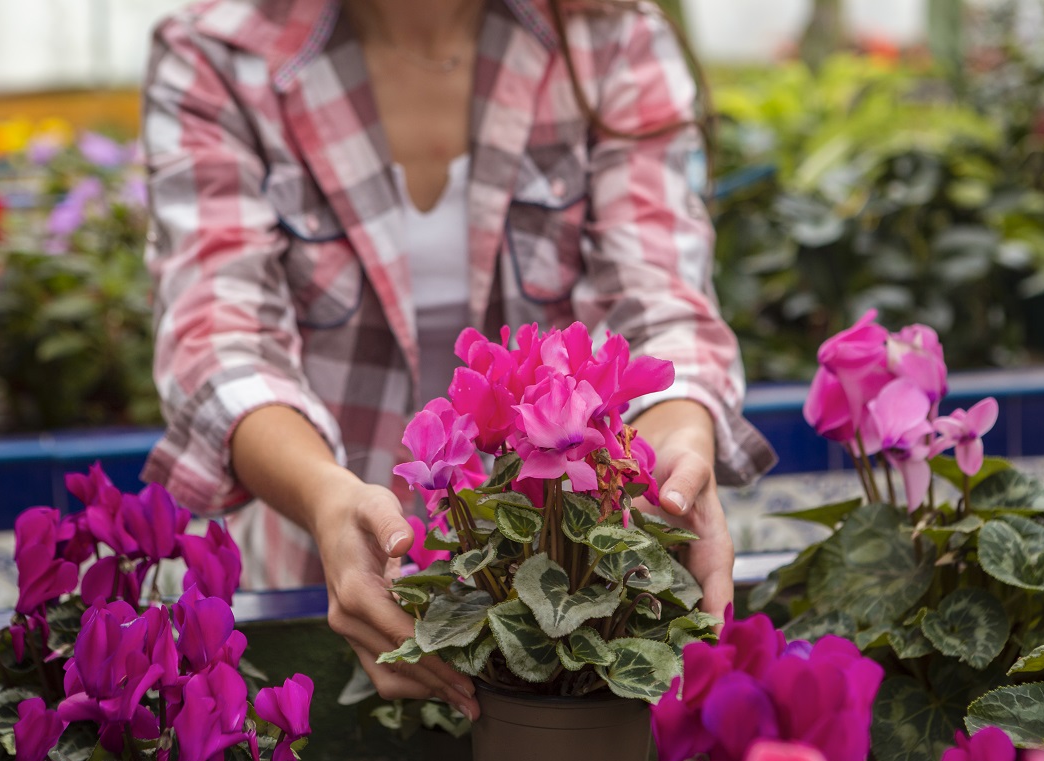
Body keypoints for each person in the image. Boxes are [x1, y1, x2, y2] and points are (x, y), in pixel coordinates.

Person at [140, 0, 775, 721]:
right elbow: (220, 339)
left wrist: (677, 446)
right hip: (317, 590)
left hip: (566, 604)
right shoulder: (221, 52)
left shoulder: (608, 38)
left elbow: (659, 305)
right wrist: (324, 498)